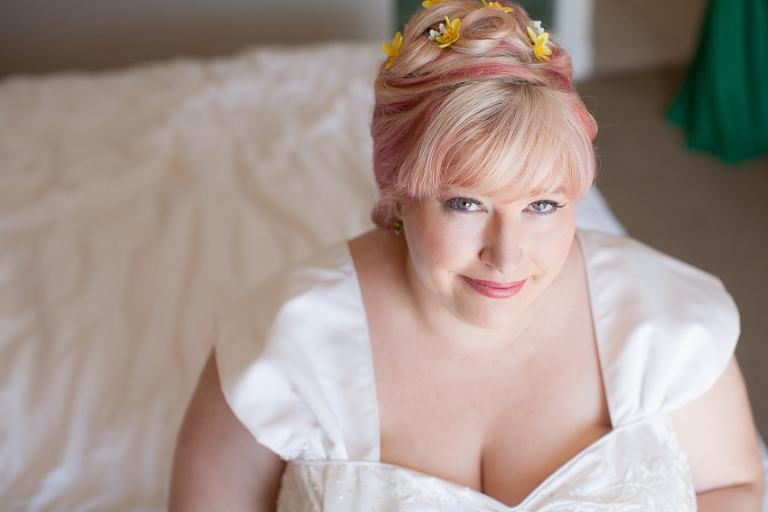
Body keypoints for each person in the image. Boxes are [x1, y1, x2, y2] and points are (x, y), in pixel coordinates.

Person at [168, 0, 765, 510]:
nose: (507, 258)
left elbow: (733, 488)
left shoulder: (666, 323)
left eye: (543, 205)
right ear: (399, 191)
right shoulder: (279, 348)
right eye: (465, 203)